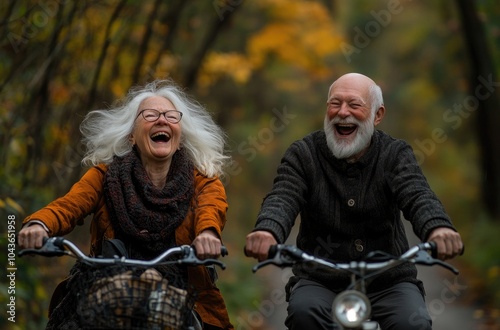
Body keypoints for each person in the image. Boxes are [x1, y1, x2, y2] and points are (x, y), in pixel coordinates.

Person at [244, 73, 464, 330]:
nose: (342, 112)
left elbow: (417, 194)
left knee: (413, 323)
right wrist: (267, 230)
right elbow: (283, 196)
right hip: (319, 279)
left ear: (377, 115)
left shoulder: (394, 154)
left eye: (354, 105)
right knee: (304, 315)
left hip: (389, 281)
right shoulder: (303, 154)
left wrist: (438, 228)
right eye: (334, 104)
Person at [18, 79, 234, 330]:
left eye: (171, 116)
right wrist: (39, 224)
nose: (162, 120)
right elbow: (69, 205)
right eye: (150, 115)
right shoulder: (104, 176)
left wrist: (207, 235)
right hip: (109, 289)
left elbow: (212, 208)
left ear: (181, 135)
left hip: (181, 293)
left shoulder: (203, 181)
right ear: (131, 135)